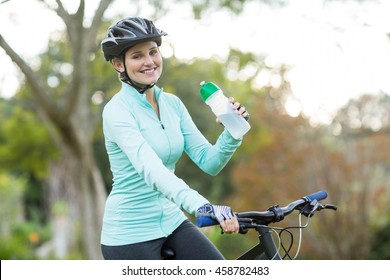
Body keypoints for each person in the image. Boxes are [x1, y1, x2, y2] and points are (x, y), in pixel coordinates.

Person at [100, 17, 250, 260]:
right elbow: (153, 171)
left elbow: (209, 161)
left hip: (172, 221)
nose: (149, 62)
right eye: (137, 56)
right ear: (118, 64)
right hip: (129, 234)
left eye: (153, 52)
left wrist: (232, 131)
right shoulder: (117, 111)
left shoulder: (172, 104)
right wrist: (201, 206)